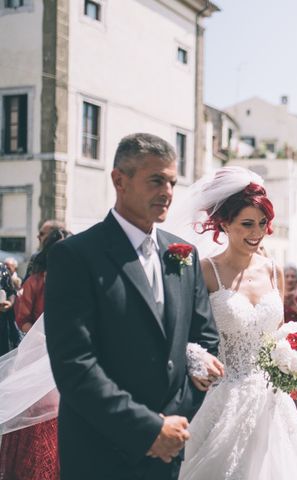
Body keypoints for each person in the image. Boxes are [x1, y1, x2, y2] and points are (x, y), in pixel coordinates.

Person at [44, 133, 222, 480]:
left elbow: (204, 342)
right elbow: (74, 365)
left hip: (169, 447)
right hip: (99, 451)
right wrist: (146, 430)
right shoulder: (76, 256)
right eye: (156, 180)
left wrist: (174, 423)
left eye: (172, 181)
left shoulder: (183, 254)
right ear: (119, 180)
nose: (168, 192)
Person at [179, 166, 297, 479]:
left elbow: (280, 336)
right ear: (224, 224)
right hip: (223, 395)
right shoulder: (206, 271)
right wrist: (196, 360)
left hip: (274, 400)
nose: (256, 232)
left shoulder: (273, 271)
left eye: (262, 223)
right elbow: (187, 334)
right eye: (247, 224)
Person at [0, 228, 70, 480]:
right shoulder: (36, 281)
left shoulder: (74, 281)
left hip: (65, 352)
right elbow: (23, 318)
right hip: (36, 350)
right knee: (37, 409)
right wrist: (43, 341)